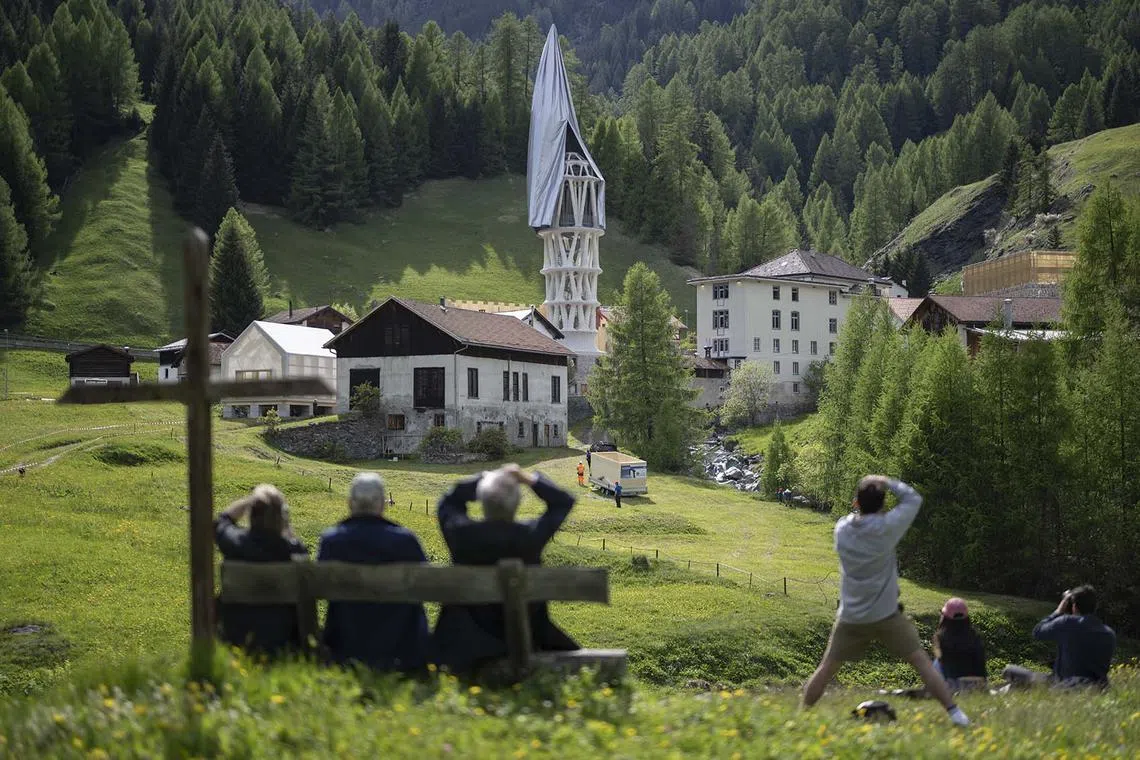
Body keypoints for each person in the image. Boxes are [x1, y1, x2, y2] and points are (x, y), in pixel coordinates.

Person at [802, 475, 970, 727]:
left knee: (827, 667)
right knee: (922, 664)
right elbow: (913, 498)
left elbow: (852, 518)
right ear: (882, 505)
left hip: (851, 617)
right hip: (887, 614)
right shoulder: (888, 528)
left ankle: (801, 715)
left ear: (856, 503)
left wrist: (864, 501)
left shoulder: (842, 530)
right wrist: (887, 481)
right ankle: (957, 716)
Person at [432, 464, 579, 673]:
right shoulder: (528, 537)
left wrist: (485, 476)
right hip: (526, 635)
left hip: (466, 642)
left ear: (482, 501)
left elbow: (448, 501)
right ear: (517, 503)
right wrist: (528, 478)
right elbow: (563, 502)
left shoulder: (462, 535)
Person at [317, 472, 430, 673]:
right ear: (383, 504)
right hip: (402, 653)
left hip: (346, 651)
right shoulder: (406, 542)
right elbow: (427, 585)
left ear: (350, 503)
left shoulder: (332, 542)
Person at [213, 485, 309, 656]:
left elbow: (222, 520)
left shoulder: (235, 543)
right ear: (281, 517)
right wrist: (285, 526)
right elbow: (296, 545)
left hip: (235, 640)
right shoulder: (293, 551)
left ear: (252, 514)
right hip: (282, 642)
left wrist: (248, 502)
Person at [1002, 585, 1116, 689]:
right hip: (1098, 688)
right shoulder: (1109, 633)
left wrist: (1059, 610)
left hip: (1063, 685)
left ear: (1074, 606)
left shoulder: (1067, 623)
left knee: (1010, 670)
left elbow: (1037, 632)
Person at [932, 598, 987, 690]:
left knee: (936, 663)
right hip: (978, 686)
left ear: (945, 618)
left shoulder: (942, 639)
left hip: (952, 686)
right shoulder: (975, 637)